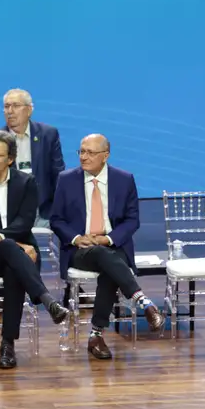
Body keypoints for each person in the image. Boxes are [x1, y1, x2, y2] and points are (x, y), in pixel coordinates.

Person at [0, 131, 69, 369]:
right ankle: (45, 299)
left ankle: (7, 345)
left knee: (13, 269)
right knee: (11, 252)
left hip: (20, 254)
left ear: (10, 159)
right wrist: (8, 242)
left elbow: (25, 221)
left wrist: (1, 238)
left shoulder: (26, 182)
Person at [51, 134, 162, 360]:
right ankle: (143, 301)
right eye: (81, 151)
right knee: (107, 258)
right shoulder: (66, 179)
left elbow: (132, 220)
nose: (84, 157)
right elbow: (56, 220)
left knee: (108, 264)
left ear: (105, 155)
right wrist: (76, 238)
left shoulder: (124, 179)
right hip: (80, 249)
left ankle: (96, 336)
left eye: (90, 153)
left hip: (112, 243)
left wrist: (108, 238)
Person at [0, 89, 65, 226]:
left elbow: (58, 174)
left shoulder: (48, 135)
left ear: (29, 110)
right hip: (9, 213)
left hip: (43, 212)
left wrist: (57, 211)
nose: (10, 111)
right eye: (7, 106)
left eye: (15, 106)